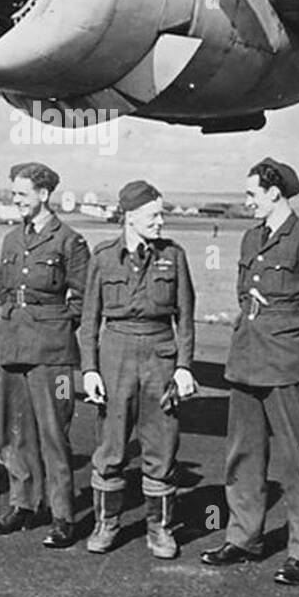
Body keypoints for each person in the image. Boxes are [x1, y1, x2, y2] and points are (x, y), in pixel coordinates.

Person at [200, 158, 299, 586]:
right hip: (246, 357)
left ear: (275, 193)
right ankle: (243, 538)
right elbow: (245, 295)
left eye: (252, 194)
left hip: (283, 360)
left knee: (295, 460)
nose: (247, 202)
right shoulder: (250, 237)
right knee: (243, 455)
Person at [80, 180, 196, 558]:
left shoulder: (174, 256)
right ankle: (106, 524)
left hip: (160, 354)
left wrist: (183, 367)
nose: (161, 221)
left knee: (162, 443)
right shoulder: (103, 256)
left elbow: (187, 319)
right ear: (130, 217)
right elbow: (89, 319)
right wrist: (90, 370)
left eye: (161, 214)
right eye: (154, 215)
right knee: (112, 446)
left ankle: (160, 529)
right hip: (115, 355)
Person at [0, 162, 90, 549]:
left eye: (22, 194)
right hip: (15, 345)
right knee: (16, 433)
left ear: (44, 195)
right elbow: (6, 292)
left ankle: (62, 515)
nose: (15, 200)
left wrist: (55, 326)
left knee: (54, 435)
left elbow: (83, 299)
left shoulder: (71, 241)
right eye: (14, 194)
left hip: (54, 352)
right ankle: (23, 504)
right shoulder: (12, 239)